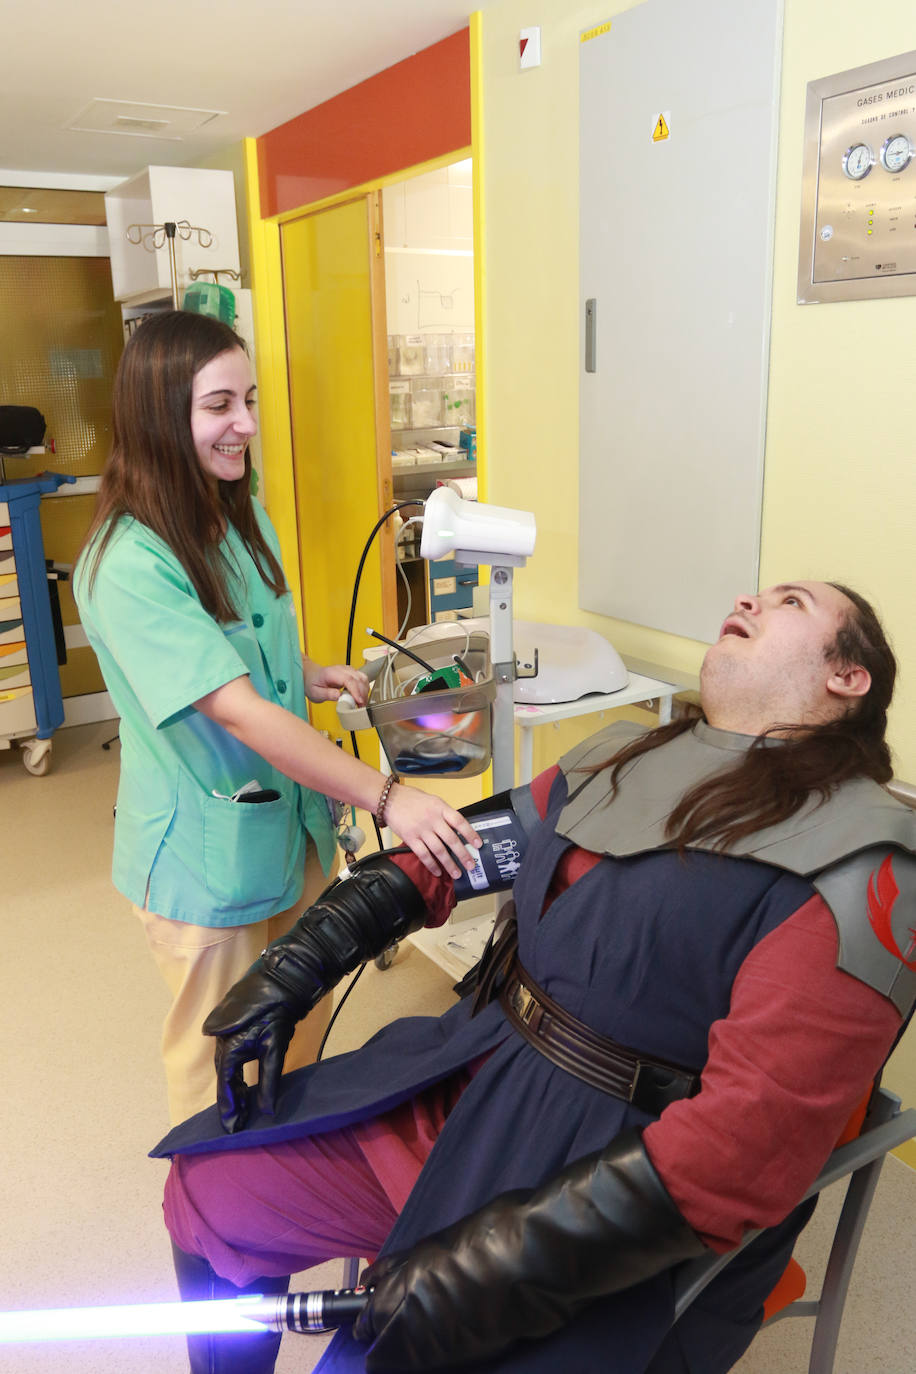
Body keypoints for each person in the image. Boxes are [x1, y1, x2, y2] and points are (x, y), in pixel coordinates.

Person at [154, 580, 916, 1374]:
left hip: (601, 1186)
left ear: (848, 678)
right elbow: (449, 856)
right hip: (475, 1075)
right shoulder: (623, 754)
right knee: (210, 1190)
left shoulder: (865, 866)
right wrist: (300, 960)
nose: (751, 600)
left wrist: (475, 1274)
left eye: (791, 603)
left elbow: (737, 1154)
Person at [74, 310, 480, 1125]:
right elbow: (240, 713)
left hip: (286, 826)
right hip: (202, 854)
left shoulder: (235, 510)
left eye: (249, 399)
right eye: (220, 405)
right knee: (221, 1056)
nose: (246, 425)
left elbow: (242, 635)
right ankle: (221, 1234)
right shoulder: (127, 562)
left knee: (299, 1018)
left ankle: (283, 1169)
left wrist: (308, 672)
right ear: (161, 415)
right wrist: (388, 796)